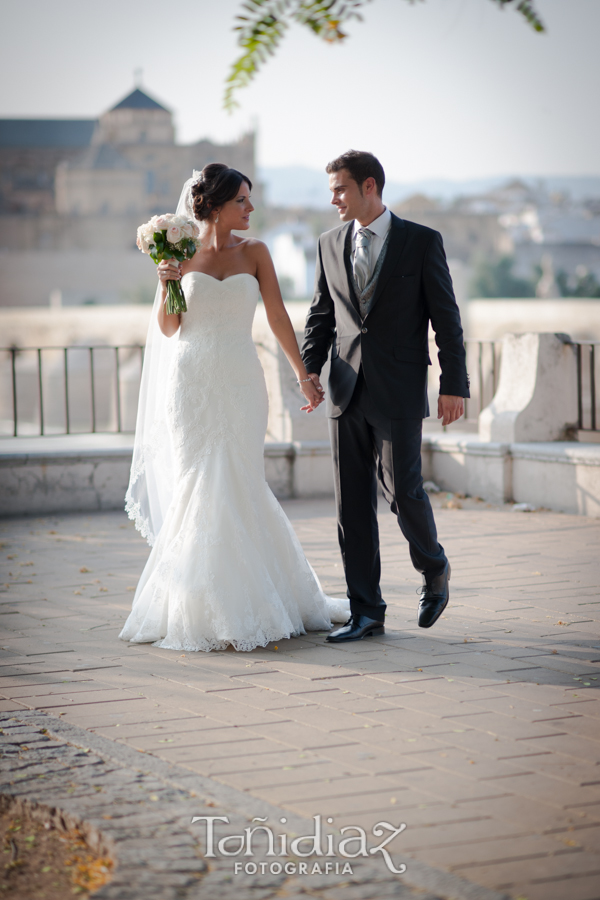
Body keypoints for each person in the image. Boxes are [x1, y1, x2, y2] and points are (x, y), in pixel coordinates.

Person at [119, 164, 348, 652]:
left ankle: (260, 598)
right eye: (243, 200)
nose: (250, 208)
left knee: (240, 479)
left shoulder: (257, 252)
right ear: (217, 206)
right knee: (198, 481)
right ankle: (195, 605)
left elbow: (279, 315)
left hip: (243, 379)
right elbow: (169, 328)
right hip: (191, 382)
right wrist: (167, 282)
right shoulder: (179, 254)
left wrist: (303, 375)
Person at [301, 150, 470, 643]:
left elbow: (447, 318)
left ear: (369, 186)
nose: (333, 199)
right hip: (344, 388)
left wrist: (453, 384)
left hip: (398, 388)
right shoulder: (328, 244)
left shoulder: (420, 242)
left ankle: (434, 567)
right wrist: (310, 369)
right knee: (350, 504)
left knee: (403, 492)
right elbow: (320, 316)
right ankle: (366, 613)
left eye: (340, 189)